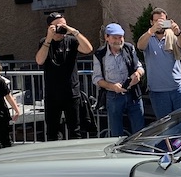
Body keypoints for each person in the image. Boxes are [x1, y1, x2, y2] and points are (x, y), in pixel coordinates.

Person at [35, 12, 94, 141]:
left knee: (75, 130)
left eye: (63, 25)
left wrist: (73, 31)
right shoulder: (44, 42)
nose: (61, 29)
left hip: (71, 92)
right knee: (52, 131)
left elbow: (88, 49)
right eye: (57, 26)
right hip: (52, 94)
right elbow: (39, 60)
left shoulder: (71, 41)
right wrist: (49, 39)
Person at [92, 23, 145, 137]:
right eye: (114, 38)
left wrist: (138, 74)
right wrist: (112, 86)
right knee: (116, 133)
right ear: (107, 38)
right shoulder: (100, 54)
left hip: (133, 94)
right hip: (113, 97)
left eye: (120, 37)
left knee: (139, 131)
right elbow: (97, 79)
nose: (118, 40)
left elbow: (140, 67)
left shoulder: (129, 48)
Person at [136, 7, 181, 119]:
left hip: (177, 89)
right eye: (157, 21)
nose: (160, 24)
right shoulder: (148, 38)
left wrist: (178, 33)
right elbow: (140, 46)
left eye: (162, 20)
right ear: (151, 22)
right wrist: (151, 31)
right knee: (165, 127)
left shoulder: (173, 36)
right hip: (157, 91)